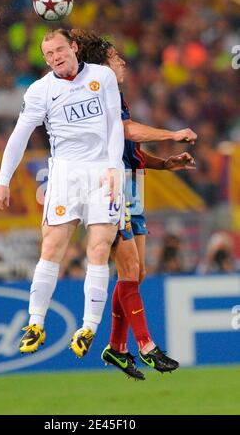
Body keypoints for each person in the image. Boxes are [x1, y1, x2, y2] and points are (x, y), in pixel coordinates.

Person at [0, 29, 125, 358]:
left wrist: (114, 167)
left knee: (99, 248)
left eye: (60, 50)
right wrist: (2, 179)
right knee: (51, 246)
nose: (55, 58)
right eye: (48, 54)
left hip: (103, 171)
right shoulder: (40, 91)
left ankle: (89, 328)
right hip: (65, 174)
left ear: (74, 47)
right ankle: (36, 322)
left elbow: (114, 124)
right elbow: (20, 135)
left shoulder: (102, 76)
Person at [72, 29, 196, 379]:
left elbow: (131, 151)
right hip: (108, 187)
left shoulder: (115, 96)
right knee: (129, 271)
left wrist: (165, 163)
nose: (123, 62)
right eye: (115, 57)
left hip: (131, 184)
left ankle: (117, 348)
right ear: (101, 65)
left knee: (136, 273)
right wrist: (171, 134)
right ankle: (146, 347)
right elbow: (127, 131)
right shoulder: (95, 96)